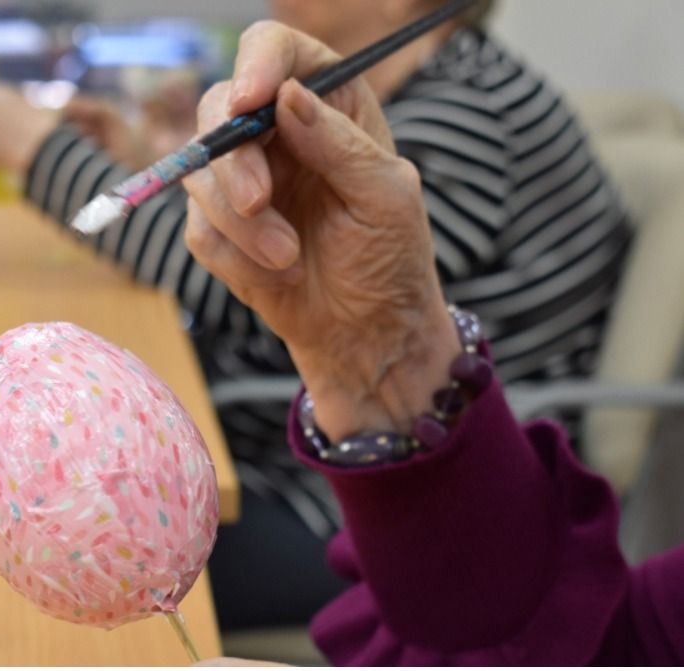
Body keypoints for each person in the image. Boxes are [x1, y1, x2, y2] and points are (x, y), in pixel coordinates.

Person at [0, 0, 634, 631]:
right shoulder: (413, 88)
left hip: (376, 502)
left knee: (36, 568)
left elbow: (255, 287)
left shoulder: (467, 118)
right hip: (309, 449)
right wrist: (139, 162)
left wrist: (36, 151)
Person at [182, 21, 682, 665]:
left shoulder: (471, 112)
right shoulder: (432, 93)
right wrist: (373, 346)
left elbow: (207, 279)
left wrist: (43, 152)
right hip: (437, 523)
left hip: (339, 504)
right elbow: (601, 649)